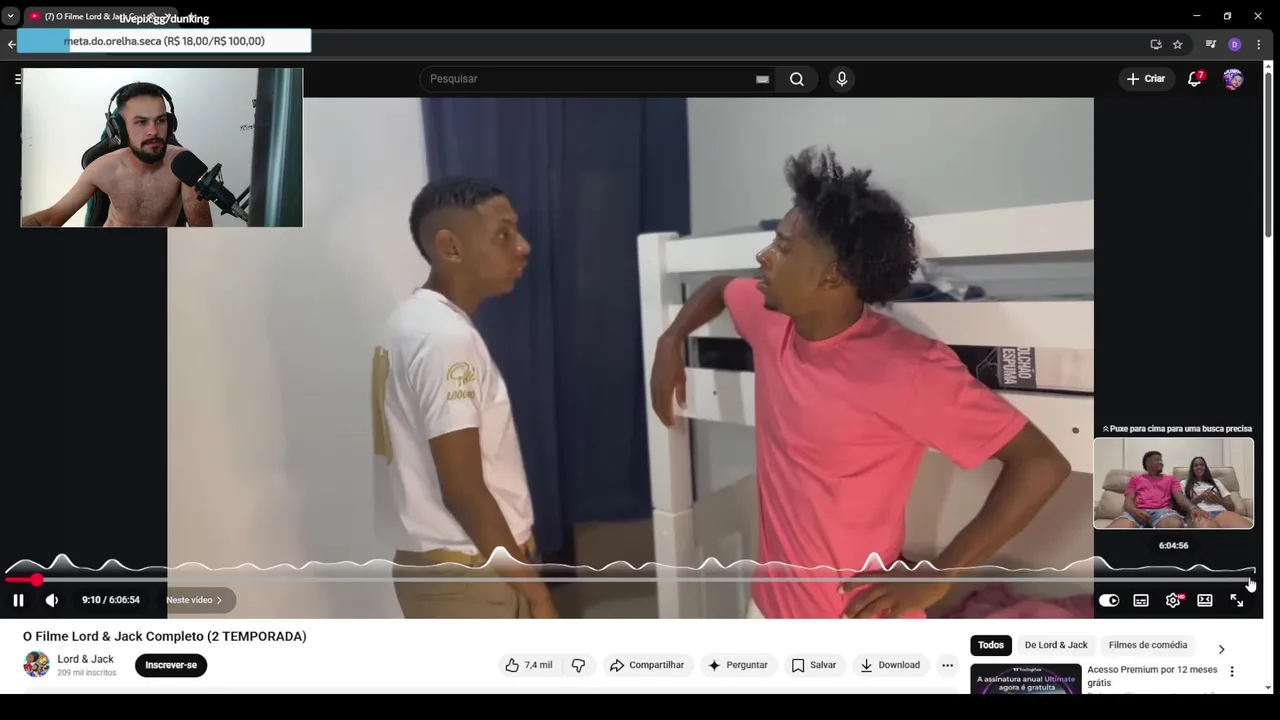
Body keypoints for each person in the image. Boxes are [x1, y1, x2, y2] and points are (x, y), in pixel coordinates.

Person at [649, 147, 1073, 620]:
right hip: (769, 608)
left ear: (832, 276)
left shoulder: (906, 368)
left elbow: (1041, 464)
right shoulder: (774, 321)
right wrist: (671, 338)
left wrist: (940, 574)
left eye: (784, 248)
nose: (763, 256)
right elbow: (720, 288)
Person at [372, 176, 555, 619]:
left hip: (446, 571)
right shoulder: (445, 339)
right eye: (503, 235)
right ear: (450, 247)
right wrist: (538, 596)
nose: (523, 247)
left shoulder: (409, 321)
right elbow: (464, 491)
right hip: (471, 576)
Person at [20, 82, 213, 228]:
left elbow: (201, 232)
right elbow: (52, 217)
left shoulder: (184, 165)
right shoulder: (103, 168)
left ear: (170, 124)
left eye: (160, 120)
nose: (153, 131)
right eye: (141, 122)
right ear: (120, 129)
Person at [1106, 451, 1204, 529]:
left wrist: (1192, 508)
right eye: (1157, 460)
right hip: (1138, 511)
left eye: (1161, 460)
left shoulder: (1171, 479)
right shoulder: (1135, 479)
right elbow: (1128, 501)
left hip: (1164, 512)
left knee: (1174, 525)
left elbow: (1180, 497)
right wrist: (1134, 511)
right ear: (1147, 463)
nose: (1161, 462)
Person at [1182, 456, 1251, 528]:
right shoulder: (1184, 483)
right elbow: (1182, 506)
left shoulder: (1216, 482)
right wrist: (1200, 498)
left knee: (1245, 527)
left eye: (1202, 465)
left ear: (1205, 468)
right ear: (1192, 469)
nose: (1199, 467)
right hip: (1200, 513)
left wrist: (1217, 499)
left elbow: (1231, 507)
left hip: (1220, 512)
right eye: (1196, 465)